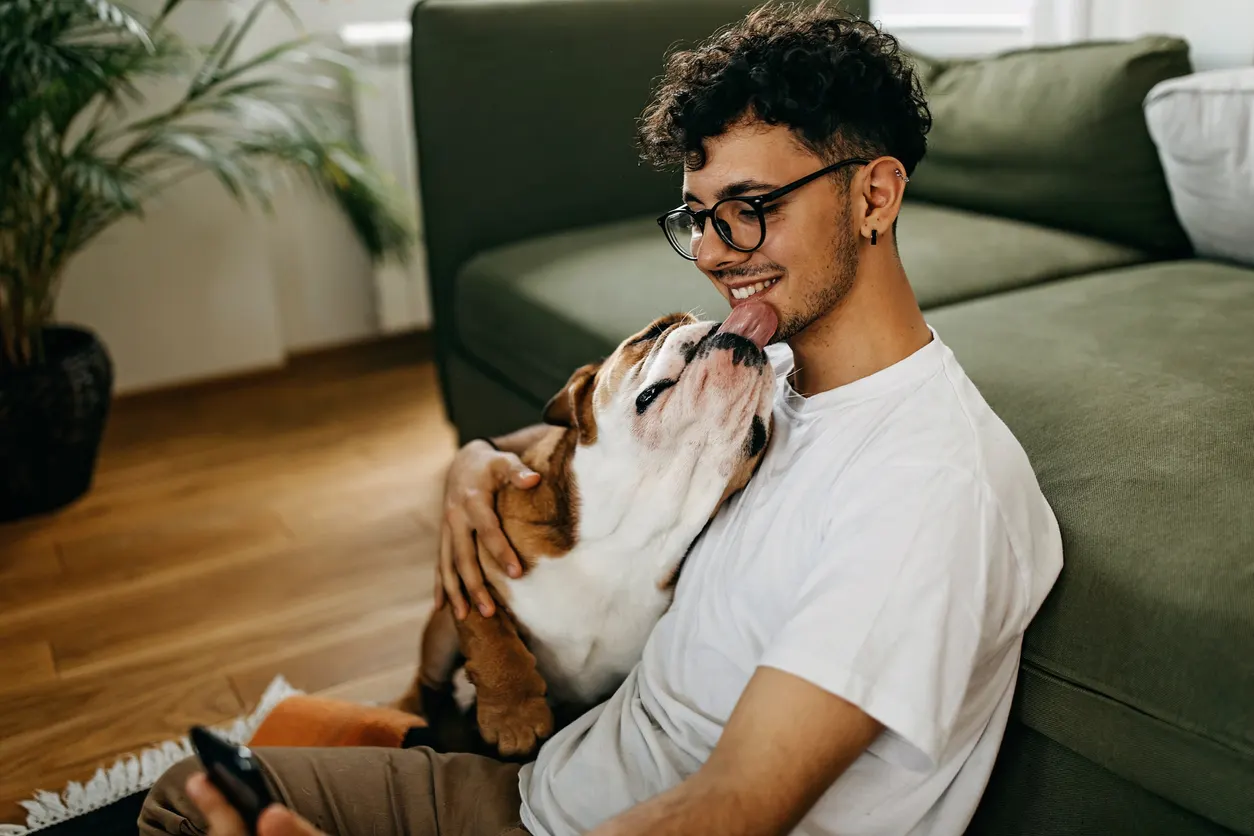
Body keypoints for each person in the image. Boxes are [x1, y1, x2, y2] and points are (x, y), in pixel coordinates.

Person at [140, 3, 1063, 835]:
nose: (710, 253)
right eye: (697, 216)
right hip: (552, 776)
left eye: (749, 210)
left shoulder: (928, 490)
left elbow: (733, 808)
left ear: (875, 195)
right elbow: (576, 446)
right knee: (194, 792)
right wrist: (474, 466)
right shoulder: (765, 386)